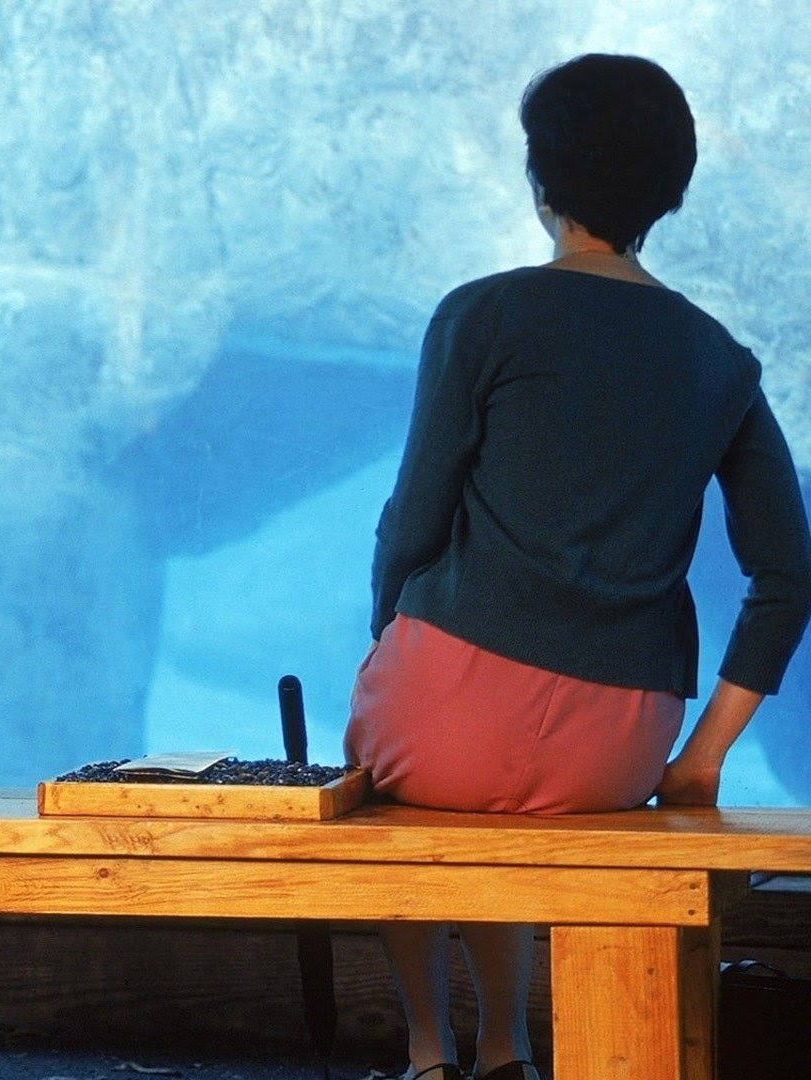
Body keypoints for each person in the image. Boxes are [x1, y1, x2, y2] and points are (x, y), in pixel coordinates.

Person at [344, 54, 811, 1080]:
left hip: (444, 716)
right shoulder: (720, 359)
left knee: (391, 783)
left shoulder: (481, 315)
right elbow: (788, 575)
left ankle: (428, 1050)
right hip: (617, 748)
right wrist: (703, 757)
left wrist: (389, 639)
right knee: (511, 807)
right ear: (673, 189)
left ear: (540, 179)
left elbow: (413, 521)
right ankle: (507, 1047)